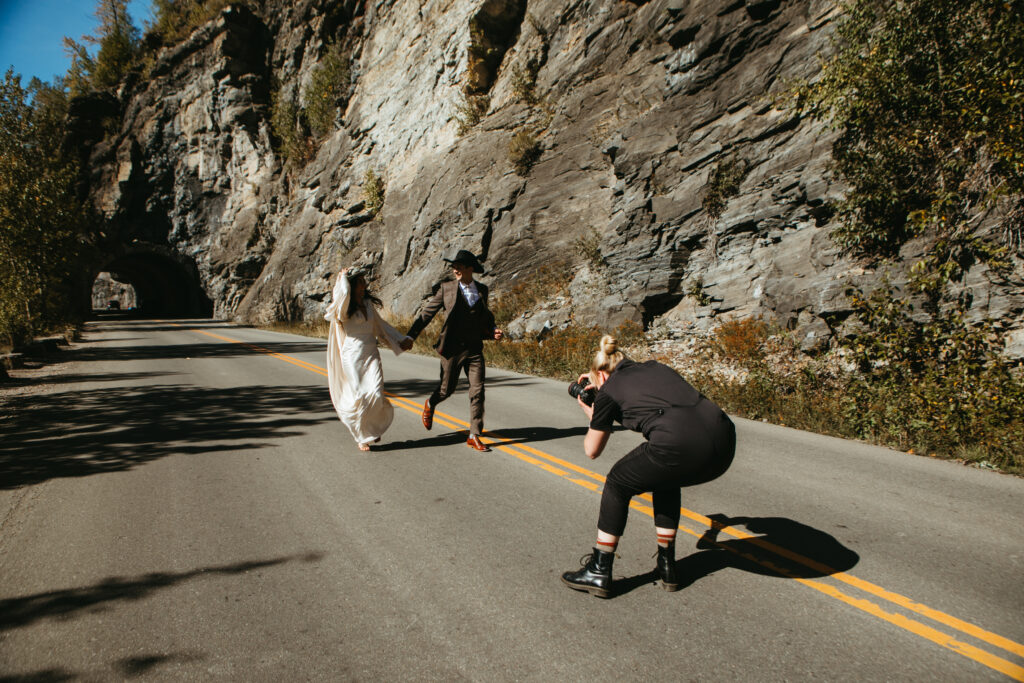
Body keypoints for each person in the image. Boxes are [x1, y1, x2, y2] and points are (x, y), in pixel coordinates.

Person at [561, 335, 736, 597]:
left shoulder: (608, 390)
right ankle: (667, 565)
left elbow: (591, 450)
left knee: (617, 483)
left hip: (680, 444)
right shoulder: (656, 368)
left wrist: (593, 413)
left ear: (601, 375)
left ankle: (599, 568)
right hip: (725, 442)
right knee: (664, 476)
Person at [405, 250, 504, 452]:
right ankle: (431, 403)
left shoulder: (482, 290)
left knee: (478, 391)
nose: (455, 269)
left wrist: (493, 330)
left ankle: (474, 434)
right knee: (446, 390)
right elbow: (426, 314)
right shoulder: (446, 289)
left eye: (459, 266)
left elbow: (486, 316)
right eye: (454, 266)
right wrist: (410, 336)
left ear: (470, 269)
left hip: (474, 348)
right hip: (452, 348)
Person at [324, 267, 414, 451]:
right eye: (360, 281)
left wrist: (401, 339)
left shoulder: (368, 304)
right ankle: (361, 436)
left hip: (371, 353)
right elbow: (342, 298)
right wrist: (343, 280)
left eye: (364, 281)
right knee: (361, 396)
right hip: (352, 355)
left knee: (376, 392)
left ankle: (372, 426)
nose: (364, 285)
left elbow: (381, 326)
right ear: (352, 285)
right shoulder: (343, 309)